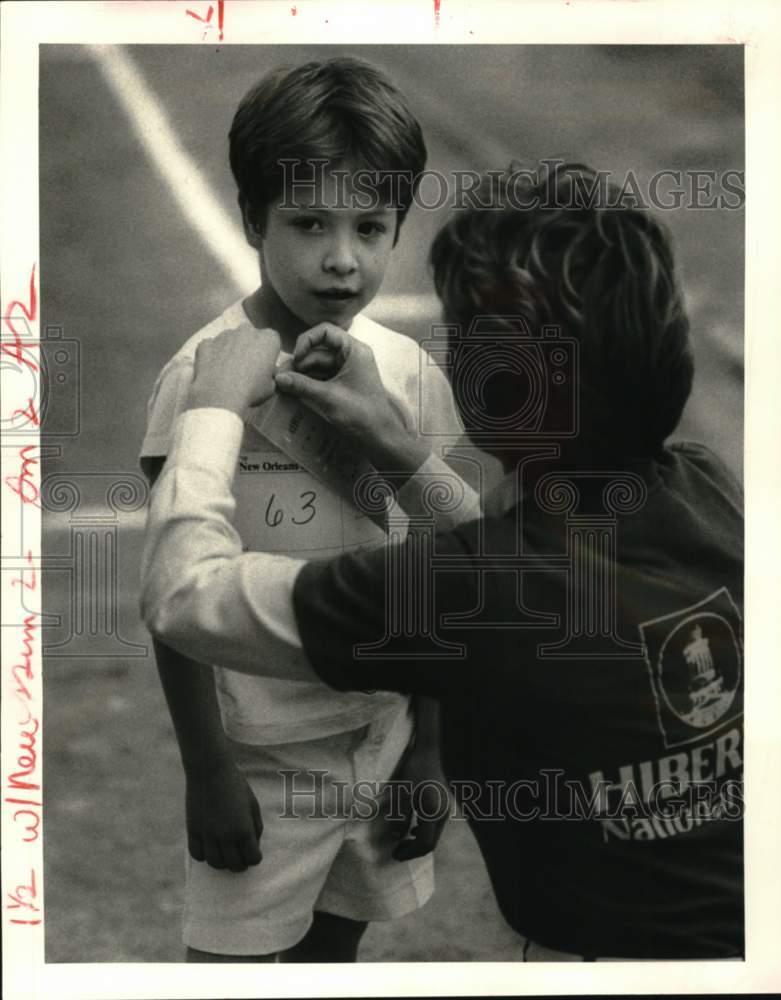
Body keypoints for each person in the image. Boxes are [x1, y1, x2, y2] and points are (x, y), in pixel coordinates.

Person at [141, 163, 744, 960]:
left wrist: (212, 409)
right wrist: (397, 448)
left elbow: (188, 598)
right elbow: (531, 576)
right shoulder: (707, 488)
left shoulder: (468, 591)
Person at [139, 57, 476, 963]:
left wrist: (430, 749)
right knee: (230, 972)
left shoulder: (405, 374)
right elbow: (172, 596)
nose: (342, 257)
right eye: (308, 223)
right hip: (261, 757)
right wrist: (206, 770)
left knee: (335, 957)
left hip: (385, 736)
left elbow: (449, 572)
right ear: (253, 219)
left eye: (371, 226)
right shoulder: (201, 380)